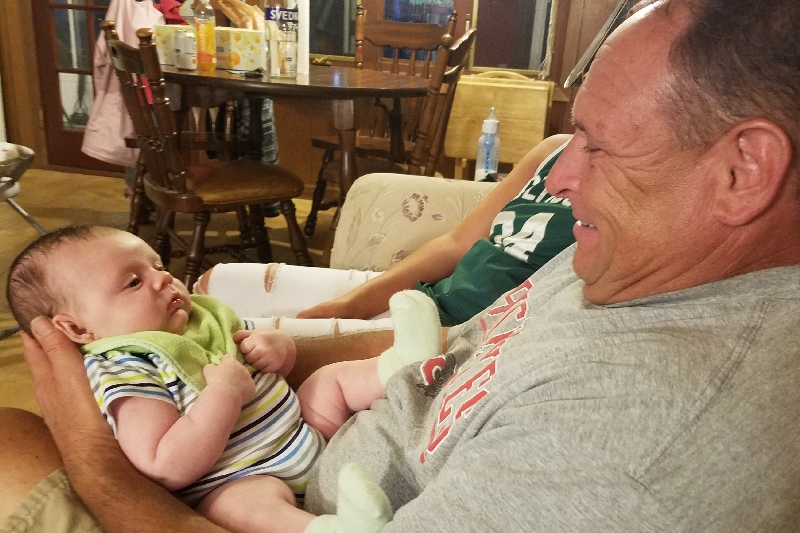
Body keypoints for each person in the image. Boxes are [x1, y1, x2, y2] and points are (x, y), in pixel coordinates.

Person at [4, 0, 800, 530]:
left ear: (744, 171)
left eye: (601, 146)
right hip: (315, 434)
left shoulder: (633, 447)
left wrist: (95, 458)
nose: (557, 178)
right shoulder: (642, 255)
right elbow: (460, 342)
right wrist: (277, 348)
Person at [4, 225, 444, 533]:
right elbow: (163, 464)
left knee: (328, 380)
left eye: (158, 265)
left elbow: (269, 359)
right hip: (241, 480)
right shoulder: (125, 367)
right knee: (241, 510)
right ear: (77, 329)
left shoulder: (198, 319)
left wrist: (277, 347)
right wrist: (224, 394)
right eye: (134, 282)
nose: (163, 279)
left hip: (306, 431)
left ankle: (405, 363)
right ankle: (330, 529)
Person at [193, 133, 576, 334]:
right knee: (212, 285)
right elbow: (457, 243)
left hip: (461, 334)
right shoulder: (554, 149)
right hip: (426, 298)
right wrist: (353, 305)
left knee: (218, 336)